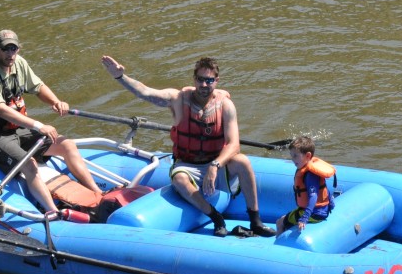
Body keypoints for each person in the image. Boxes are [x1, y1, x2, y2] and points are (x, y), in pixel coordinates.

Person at [100, 55, 276, 238]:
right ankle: (215, 218)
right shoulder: (177, 100)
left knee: (242, 161)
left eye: (209, 80)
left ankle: (255, 221)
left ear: (216, 81)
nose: (204, 85)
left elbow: (234, 145)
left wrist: (215, 166)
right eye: (200, 79)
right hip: (188, 165)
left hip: (216, 163)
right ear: (194, 79)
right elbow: (145, 92)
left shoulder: (225, 106)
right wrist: (120, 77)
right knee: (179, 179)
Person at [0, 30, 100, 218]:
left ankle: (97, 194)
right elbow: (1, 110)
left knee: (67, 145)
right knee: (29, 164)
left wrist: (56, 102)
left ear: (18, 49)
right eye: (5, 49)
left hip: (17, 130)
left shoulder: (19, 63)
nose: (10, 54)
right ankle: (53, 212)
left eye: (13, 49)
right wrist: (38, 126)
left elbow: (38, 87)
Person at [275, 135, 335, 235]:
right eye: (291, 155)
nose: (292, 159)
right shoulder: (311, 170)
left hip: (314, 214)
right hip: (321, 211)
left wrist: (305, 218)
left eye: (295, 156)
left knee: (279, 222)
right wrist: (331, 204)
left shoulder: (309, 174)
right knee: (288, 219)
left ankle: (276, 247)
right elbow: (324, 190)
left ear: (307, 156)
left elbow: (313, 196)